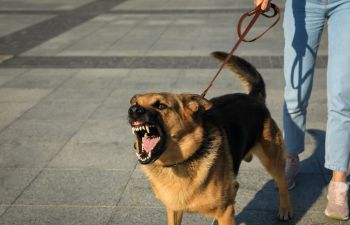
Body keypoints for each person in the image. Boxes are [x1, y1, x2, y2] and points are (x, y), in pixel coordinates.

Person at [254, 0, 350, 220]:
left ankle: (338, 183)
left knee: (342, 96)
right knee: (295, 94)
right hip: (303, 4)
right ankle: (291, 157)